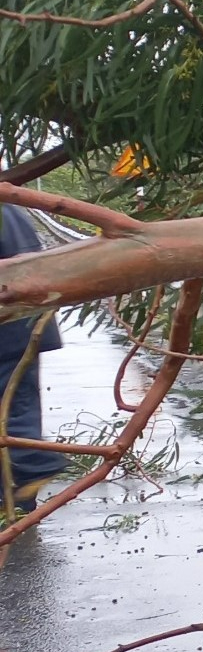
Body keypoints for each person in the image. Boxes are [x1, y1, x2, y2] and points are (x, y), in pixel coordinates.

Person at [1, 204, 69, 517]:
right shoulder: (9, 208)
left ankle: (33, 465)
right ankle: (17, 503)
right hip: (22, 326)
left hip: (10, 328)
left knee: (12, 410)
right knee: (17, 405)